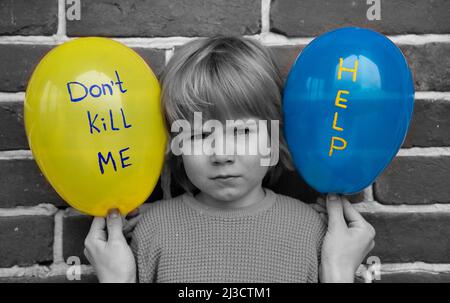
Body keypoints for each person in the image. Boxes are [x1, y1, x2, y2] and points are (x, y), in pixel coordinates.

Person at [83, 36, 375, 283]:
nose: (221, 155)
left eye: (243, 131)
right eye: (198, 135)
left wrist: (339, 271)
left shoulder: (315, 232)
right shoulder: (150, 231)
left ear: (276, 136)